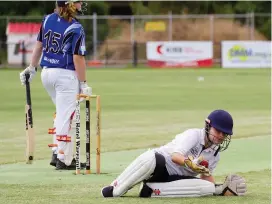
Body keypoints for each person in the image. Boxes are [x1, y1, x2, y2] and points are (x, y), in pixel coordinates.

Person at [101, 110, 247, 198]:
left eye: (224, 133)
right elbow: (175, 156)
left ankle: (149, 191)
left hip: (173, 179)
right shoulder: (193, 135)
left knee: (208, 188)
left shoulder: (215, 155)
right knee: (153, 157)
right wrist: (190, 163)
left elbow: (206, 177)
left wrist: (222, 190)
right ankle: (115, 189)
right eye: (218, 130)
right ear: (208, 126)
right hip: (158, 165)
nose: (220, 136)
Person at [19, 0, 92, 170]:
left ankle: (57, 153)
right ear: (70, 4)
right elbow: (78, 58)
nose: (81, 5)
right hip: (65, 75)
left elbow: (39, 46)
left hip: (47, 74)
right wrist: (83, 83)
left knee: (61, 114)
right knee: (67, 118)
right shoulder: (75, 27)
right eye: (79, 2)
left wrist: (31, 67)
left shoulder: (47, 19)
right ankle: (64, 159)